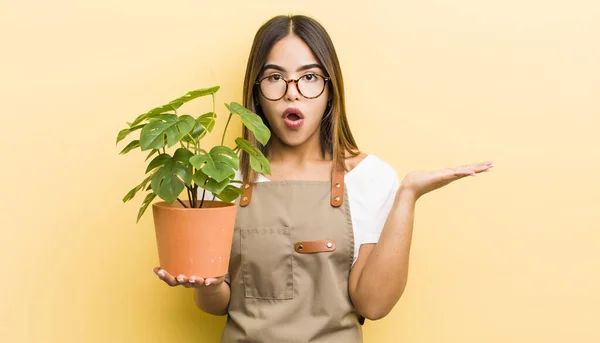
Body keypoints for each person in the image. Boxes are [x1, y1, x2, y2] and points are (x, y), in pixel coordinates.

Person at [153, 14, 494, 342]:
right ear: (255, 91)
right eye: (274, 77)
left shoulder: (369, 178)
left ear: (331, 89)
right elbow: (218, 306)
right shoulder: (223, 176)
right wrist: (208, 285)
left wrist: (408, 194)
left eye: (310, 77)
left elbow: (372, 304)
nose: (292, 92)